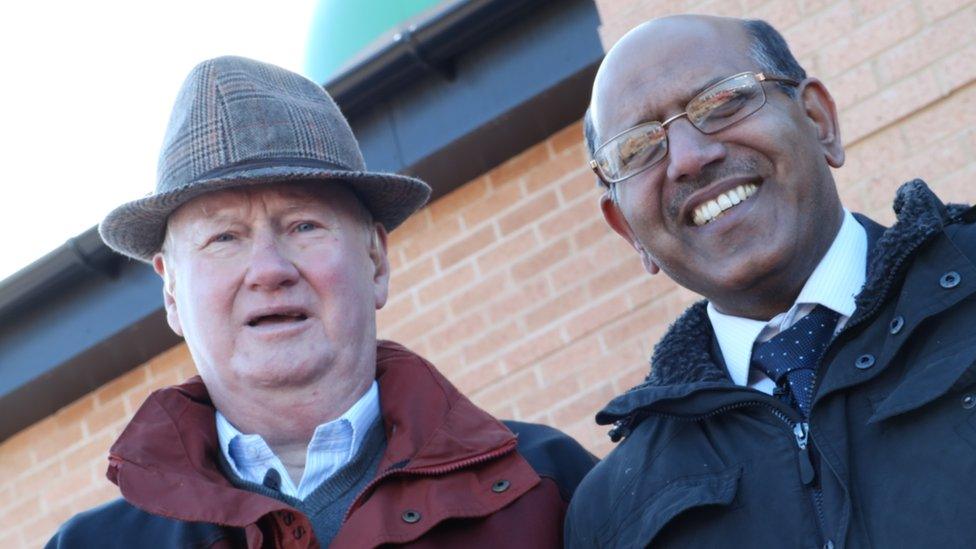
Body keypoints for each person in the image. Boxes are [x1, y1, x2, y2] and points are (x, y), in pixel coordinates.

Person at [47, 56, 595, 548]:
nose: (269, 270)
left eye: (304, 225)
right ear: (171, 292)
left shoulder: (553, 490)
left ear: (376, 260)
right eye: (224, 238)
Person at [565, 14, 976, 548]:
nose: (689, 159)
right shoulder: (610, 515)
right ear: (628, 232)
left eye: (720, 102)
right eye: (638, 149)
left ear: (817, 119)